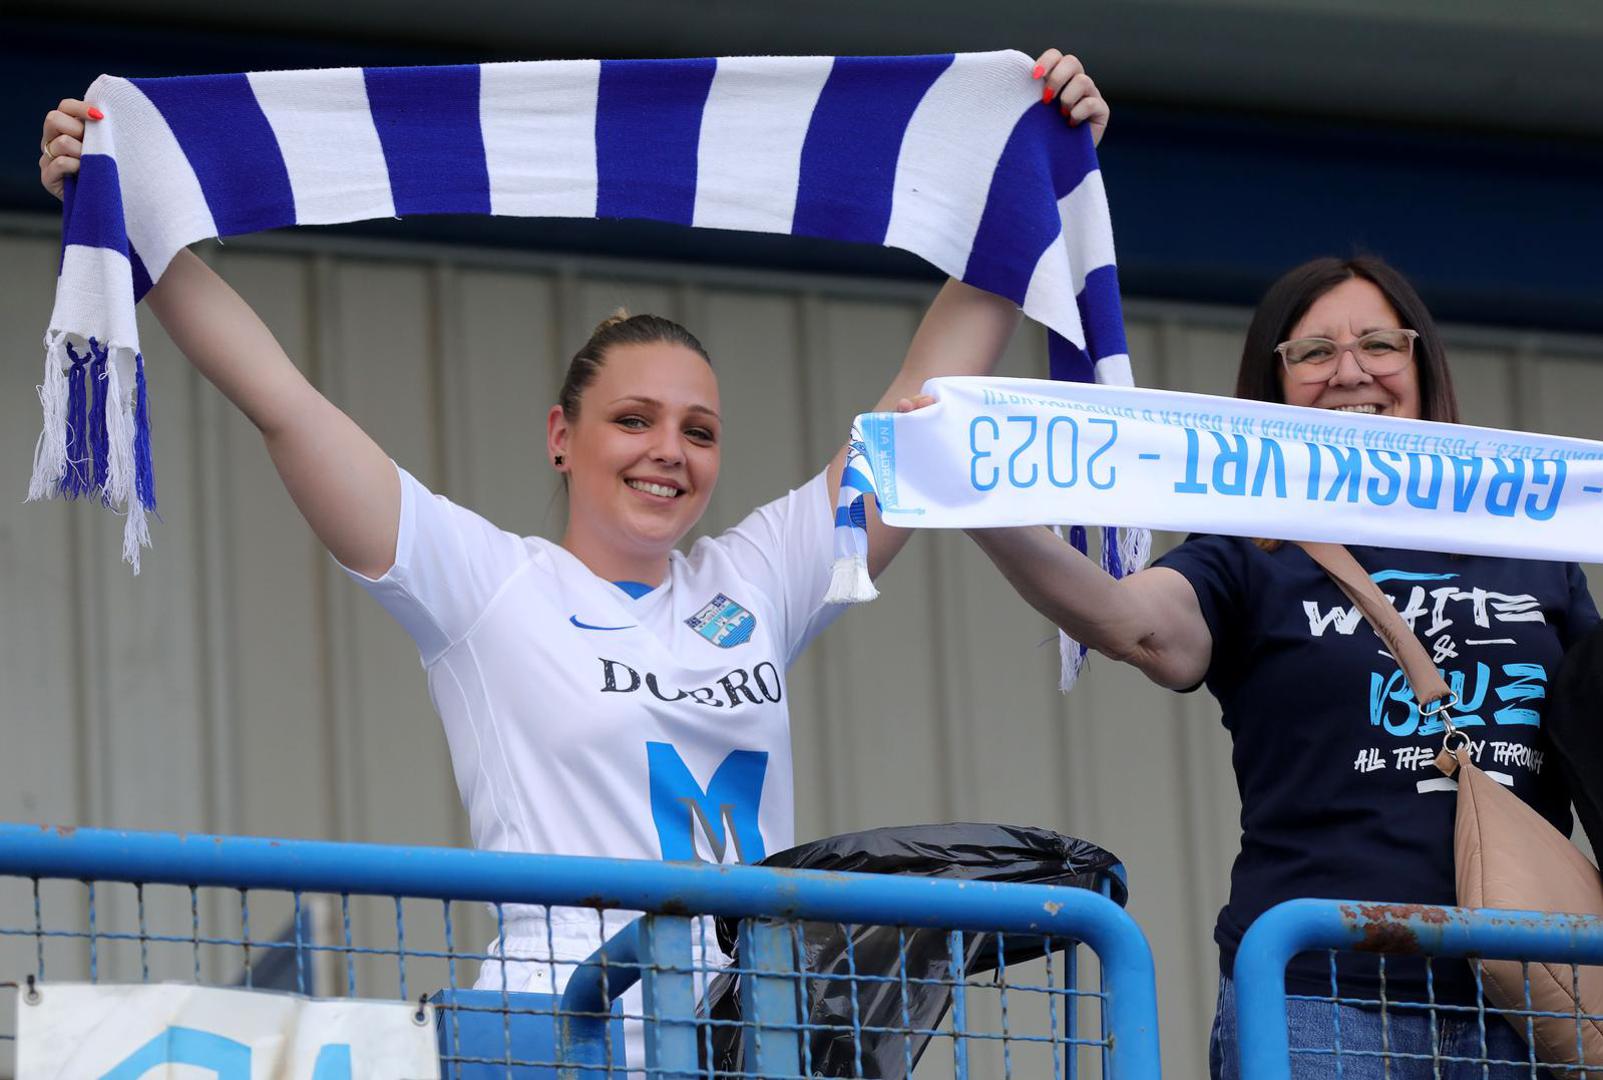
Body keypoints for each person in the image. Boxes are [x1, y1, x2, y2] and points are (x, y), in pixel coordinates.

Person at [36, 48, 1110, 1002]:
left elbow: (924, 389)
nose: (668, 451)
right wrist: (135, 215)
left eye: (698, 430)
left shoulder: (760, 580)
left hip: (750, 1043)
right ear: (561, 435)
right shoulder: (487, 584)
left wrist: (1022, 163)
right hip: (558, 1034)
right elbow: (284, 402)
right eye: (632, 420)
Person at [964, 256, 1598, 1078]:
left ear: (1421, 365)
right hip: (1323, 1001)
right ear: (1273, 382)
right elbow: (1131, 624)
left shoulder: (1528, 540)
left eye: (1378, 344)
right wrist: (974, 501)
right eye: (1312, 353)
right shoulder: (1248, 548)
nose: (1349, 372)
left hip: (1526, 999)